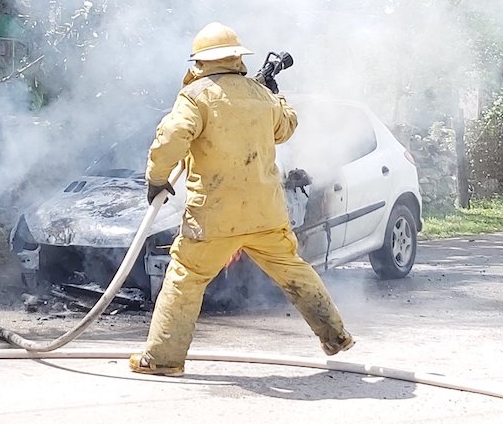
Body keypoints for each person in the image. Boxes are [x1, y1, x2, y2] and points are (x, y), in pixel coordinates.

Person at [129, 22, 353, 377]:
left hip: (215, 216)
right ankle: (336, 336)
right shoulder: (260, 95)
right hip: (265, 212)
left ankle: (163, 359)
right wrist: (275, 94)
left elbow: (171, 136)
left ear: (199, 62)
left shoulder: (195, 96)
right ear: (237, 58)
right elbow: (286, 128)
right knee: (294, 270)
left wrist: (157, 179)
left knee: (185, 277)